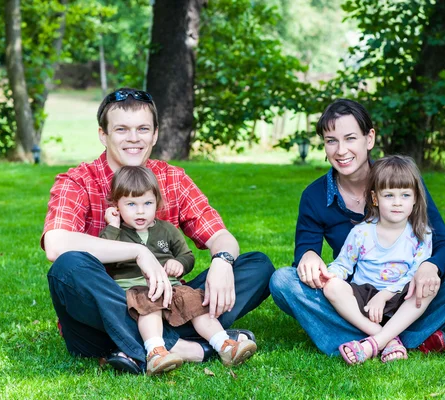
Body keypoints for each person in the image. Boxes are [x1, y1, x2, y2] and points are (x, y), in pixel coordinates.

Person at [43, 88, 274, 375]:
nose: (134, 138)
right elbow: (55, 243)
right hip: (106, 313)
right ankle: (198, 347)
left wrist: (223, 261)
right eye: (121, 129)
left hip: (168, 303)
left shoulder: (172, 177)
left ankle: (141, 349)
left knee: (258, 265)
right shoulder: (77, 181)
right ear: (103, 134)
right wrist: (138, 251)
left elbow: (218, 234)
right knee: (68, 266)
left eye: (143, 129)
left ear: (154, 134)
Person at [269, 99, 445, 360]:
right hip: (357, 299)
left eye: (350, 138)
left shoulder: (400, 182)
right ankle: (408, 338)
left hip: (410, 292)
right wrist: (308, 256)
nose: (341, 150)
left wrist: (431, 266)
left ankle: (371, 340)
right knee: (282, 281)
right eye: (331, 140)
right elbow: (304, 253)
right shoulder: (314, 195)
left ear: (369, 139)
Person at [100, 166, 257, 375]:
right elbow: (102, 256)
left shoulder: (167, 230)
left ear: (157, 202)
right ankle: (156, 352)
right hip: (137, 291)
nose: (140, 211)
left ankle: (225, 345)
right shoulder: (115, 233)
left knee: (196, 304)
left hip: (172, 288)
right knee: (149, 305)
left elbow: (187, 255)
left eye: (147, 203)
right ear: (116, 206)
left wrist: (180, 264)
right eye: (131, 204)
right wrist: (112, 225)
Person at [323, 155, 433, 364]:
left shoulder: (420, 234)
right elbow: (343, 264)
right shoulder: (362, 233)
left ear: (416, 198)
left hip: (401, 297)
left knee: (427, 286)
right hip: (364, 299)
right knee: (331, 288)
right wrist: (330, 275)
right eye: (389, 195)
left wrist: (384, 296)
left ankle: (374, 343)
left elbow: (414, 273)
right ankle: (388, 338)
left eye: (405, 195)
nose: (397, 203)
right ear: (375, 199)